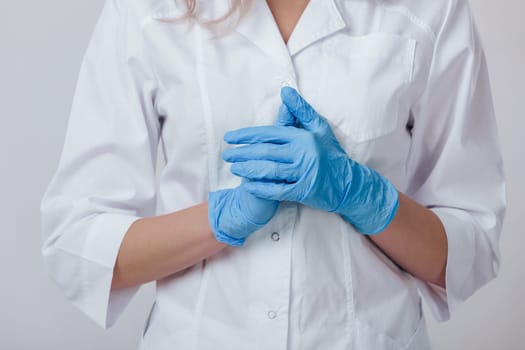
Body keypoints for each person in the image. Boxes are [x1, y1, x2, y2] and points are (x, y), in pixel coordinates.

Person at [40, 0, 506, 349]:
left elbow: (468, 248)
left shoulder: (430, 8)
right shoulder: (147, 10)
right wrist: (220, 220)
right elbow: (82, 242)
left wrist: (361, 195)